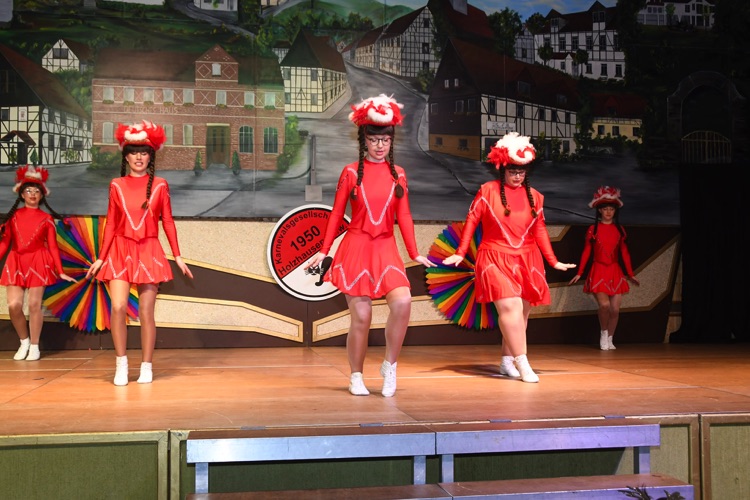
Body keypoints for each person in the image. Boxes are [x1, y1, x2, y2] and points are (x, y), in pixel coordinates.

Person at [307, 94, 435, 397]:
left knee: (403, 302)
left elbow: (404, 215)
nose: (380, 145)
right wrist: (324, 250)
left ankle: (390, 365)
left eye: (385, 140)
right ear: (364, 140)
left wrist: (414, 252)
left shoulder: (398, 174)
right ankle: (356, 375)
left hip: (386, 249)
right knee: (362, 317)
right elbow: (336, 214)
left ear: (391, 141)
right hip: (356, 248)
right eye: (374, 139)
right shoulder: (351, 172)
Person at [442, 133, 576, 383]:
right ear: (503, 169)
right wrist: (460, 252)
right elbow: (471, 221)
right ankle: (523, 362)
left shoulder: (535, 197)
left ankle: (507, 360)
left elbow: (540, 229)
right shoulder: (487, 191)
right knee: (510, 307)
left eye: (521, 172)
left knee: (521, 313)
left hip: (527, 258)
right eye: (513, 171)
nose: (517, 176)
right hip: (494, 256)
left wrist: (553, 260)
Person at [86, 120, 193, 386]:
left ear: (150, 156)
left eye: (144, 152)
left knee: (146, 311)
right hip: (120, 250)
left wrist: (178, 255)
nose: (139, 157)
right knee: (118, 306)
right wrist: (101, 258)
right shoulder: (116, 184)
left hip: (148, 250)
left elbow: (168, 221)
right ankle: (121, 364)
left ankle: (146, 366)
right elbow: (111, 223)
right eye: (134, 152)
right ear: (126, 156)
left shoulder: (160, 185)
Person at [1, 165, 76, 361]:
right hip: (16, 261)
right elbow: (5, 244)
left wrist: (60, 271)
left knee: (34, 304)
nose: (32, 194)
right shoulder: (13, 217)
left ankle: (34, 346)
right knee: (14, 305)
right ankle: (24, 341)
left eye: (36, 191)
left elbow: (53, 247)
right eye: (28, 191)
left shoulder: (46, 218)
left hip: (38, 261)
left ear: (42, 195)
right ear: (21, 194)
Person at [568, 186, 639, 350]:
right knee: (605, 305)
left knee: (615, 309)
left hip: (615, 271)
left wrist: (630, 273)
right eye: (605, 209)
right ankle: (603, 332)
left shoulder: (620, 230)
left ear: (615, 211)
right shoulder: (593, 229)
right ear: (599, 210)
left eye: (611, 209)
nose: (608, 212)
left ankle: (610, 338)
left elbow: (624, 252)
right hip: (599, 270)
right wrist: (580, 272)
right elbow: (587, 251)